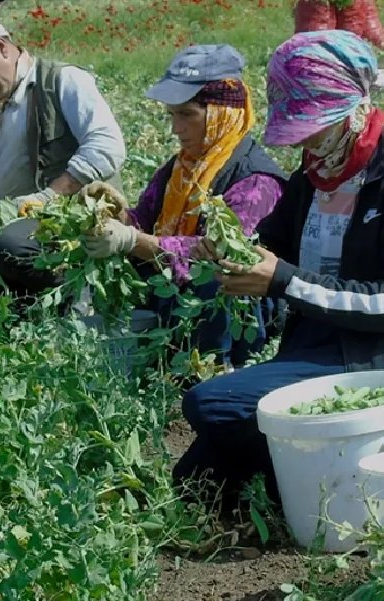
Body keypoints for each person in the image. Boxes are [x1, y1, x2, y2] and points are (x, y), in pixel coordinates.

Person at [174, 30, 384, 511]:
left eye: (312, 124)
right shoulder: (314, 173)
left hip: (377, 355)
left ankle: (312, 476)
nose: (304, 139)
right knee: (194, 479)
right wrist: (233, 251)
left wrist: (284, 281)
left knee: (210, 404)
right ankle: (296, 477)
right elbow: (273, 242)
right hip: (316, 343)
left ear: (348, 107)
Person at [80, 44, 286, 364]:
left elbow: (216, 252)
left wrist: (132, 240)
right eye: (172, 115)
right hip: (175, 296)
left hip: (234, 312)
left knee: (215, 277)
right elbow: (146, 221)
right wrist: (115, 214)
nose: (176, 129)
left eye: (187, 114)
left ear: (221, 113)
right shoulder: (181, 168)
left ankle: (210, 369)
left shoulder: (255, 180)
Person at [0, 16, 125, 296]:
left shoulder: (61, 81)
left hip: (70, 230)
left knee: (2, 248)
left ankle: (74, 293)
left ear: (1, 46)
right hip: (14, 236)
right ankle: (28, 297)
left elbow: (107, 145)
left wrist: (48, 197)